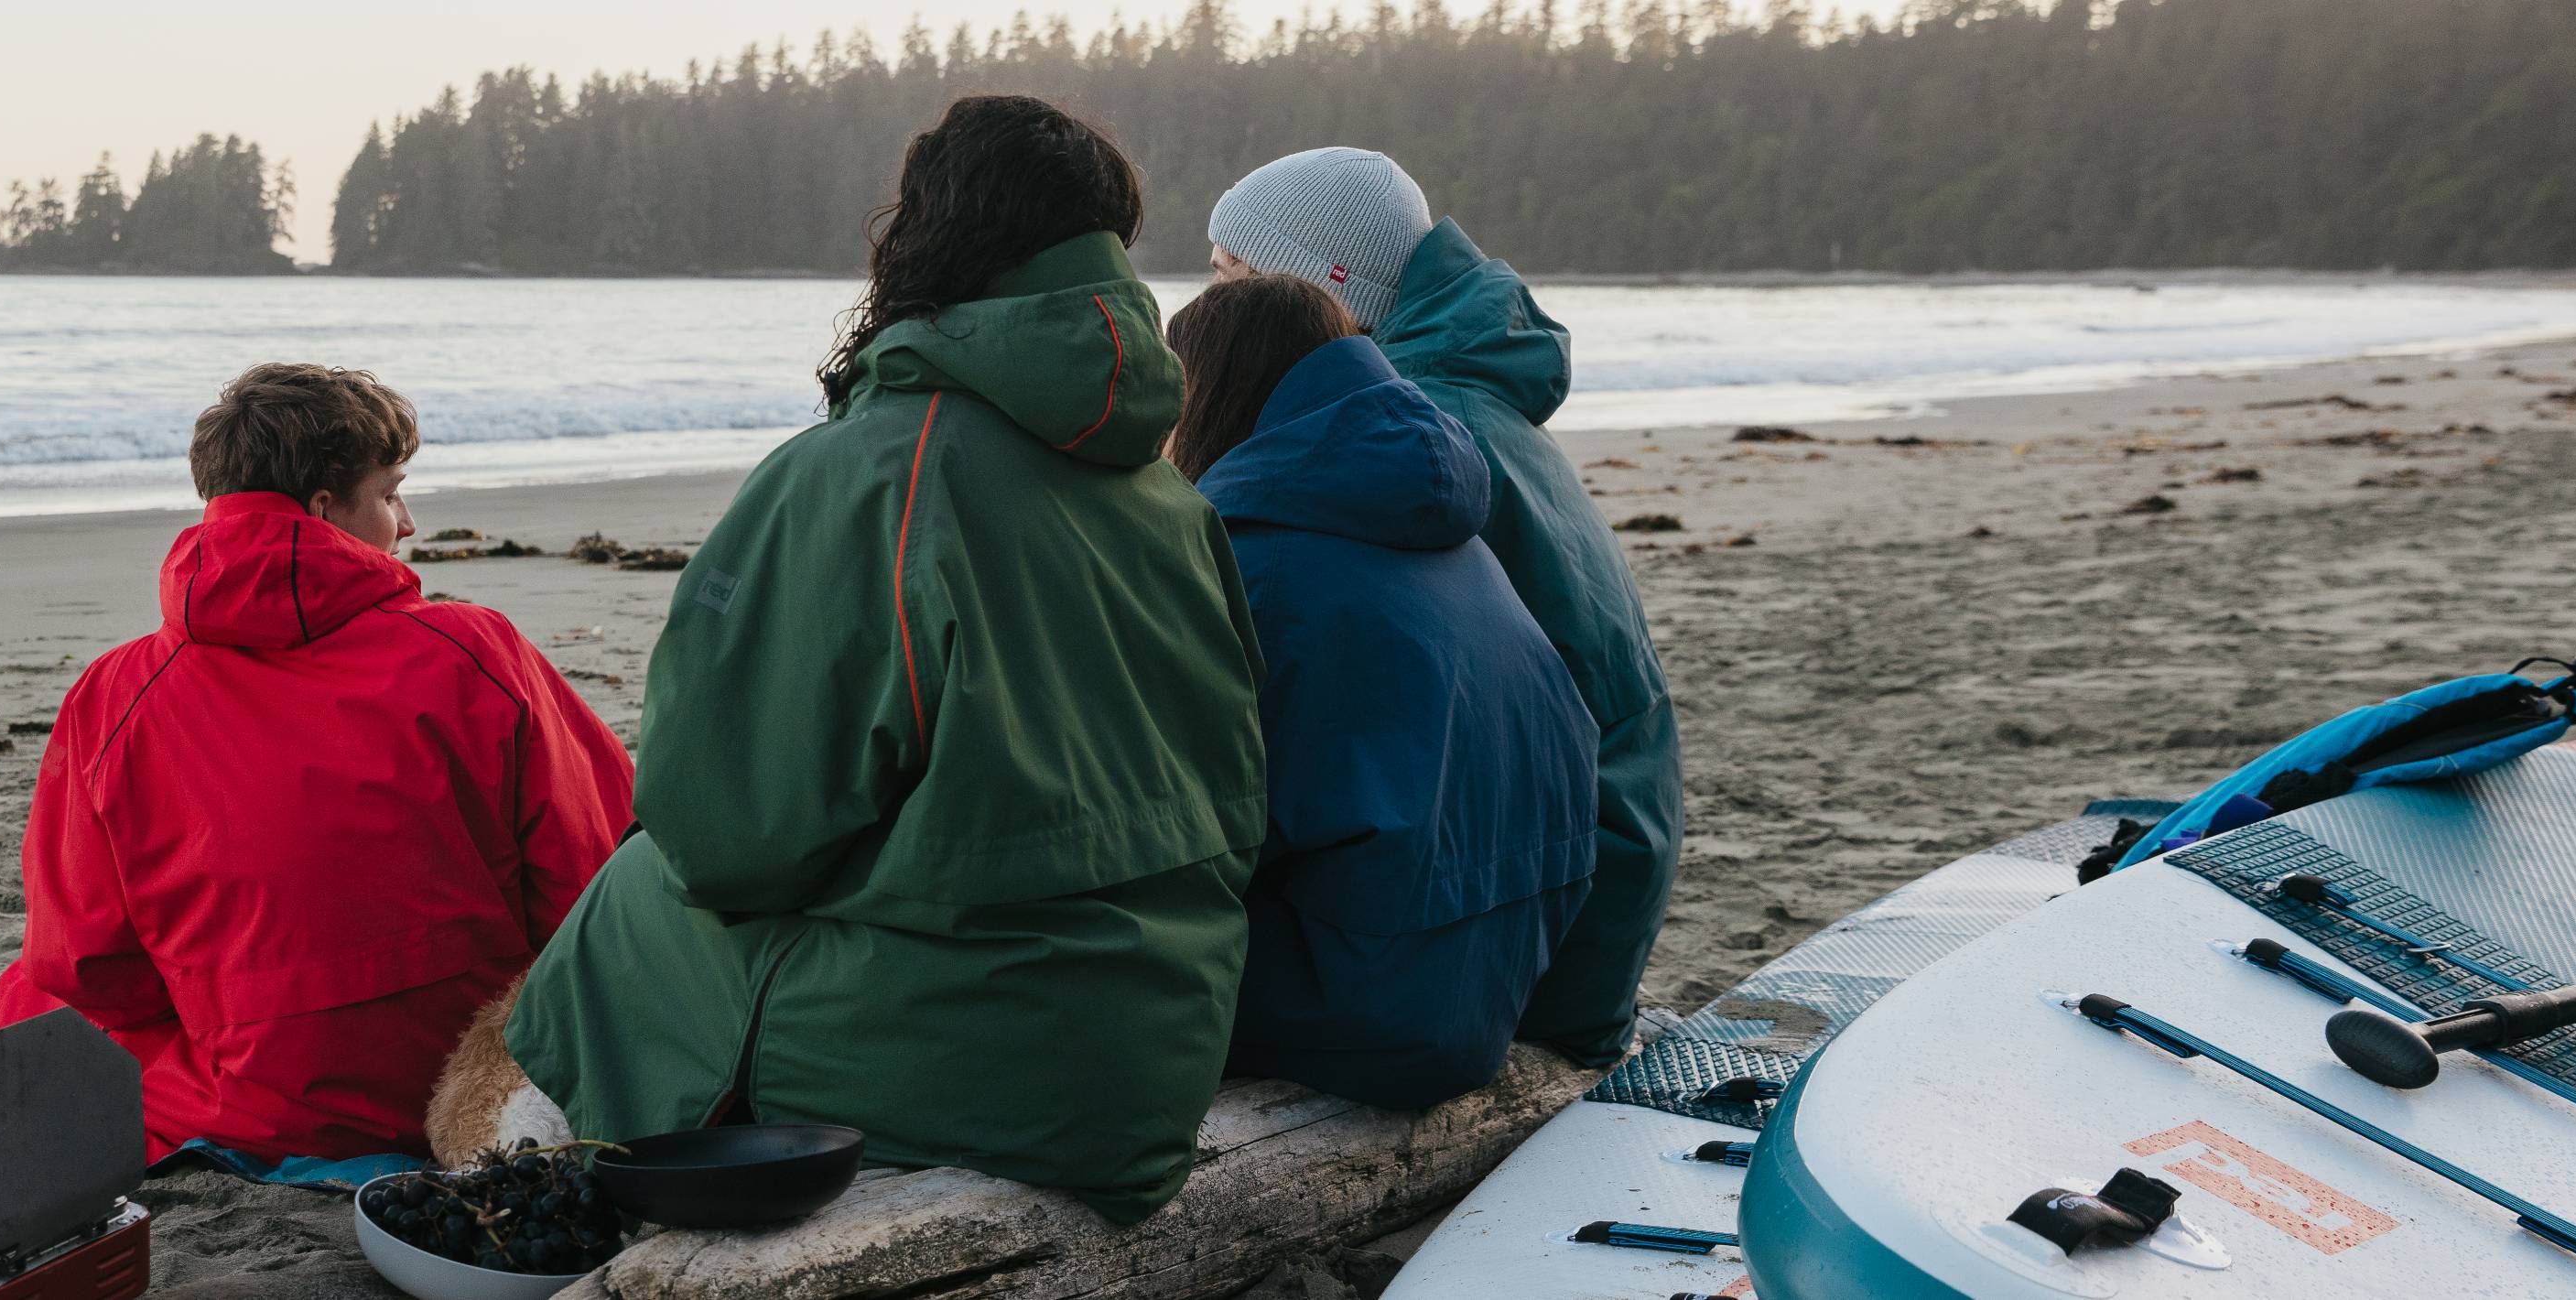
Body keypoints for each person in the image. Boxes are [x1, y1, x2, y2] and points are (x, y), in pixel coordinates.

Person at [498, 95, 1266, 1222]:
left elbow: (729, 839)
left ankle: (547, 1183)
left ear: (924, 238)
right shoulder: (1167, 491)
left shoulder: (869, 474)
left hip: (976, 1071)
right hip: (1158, 1038)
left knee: (627, 900)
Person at [0, 363, 634, 1170]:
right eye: (391, 493)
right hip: (468, 1074)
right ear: (325, 510)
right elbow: (599, 877)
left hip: (253, 1092)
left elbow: (89, 964)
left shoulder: (114, 692)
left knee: (22, 999)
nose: (410, 521)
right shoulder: (475, 649)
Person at [1207, 147, 1687, 1066]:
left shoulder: (1413, 440)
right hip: (1601, 879)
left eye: (1230, 275)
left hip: (1551, 937)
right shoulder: (1454, 416)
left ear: (1313, 292)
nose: (1203, 306)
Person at [1164, 275, 1599, 1108]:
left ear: (1209, 393)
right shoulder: (1444, 530)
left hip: (1368, 1006)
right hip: (1496, 979)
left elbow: (1195, 834)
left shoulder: (1257, 568)